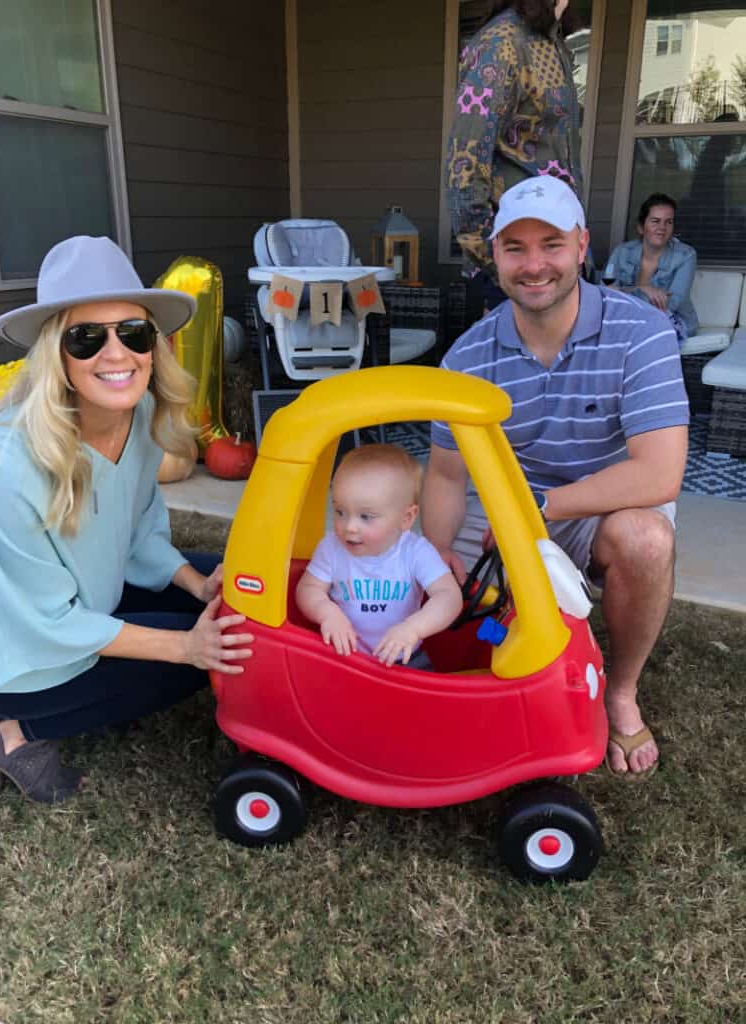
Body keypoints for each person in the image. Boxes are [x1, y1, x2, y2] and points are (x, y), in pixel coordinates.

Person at [422, 176, 690, 778]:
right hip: (504, 509)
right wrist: (436, 557)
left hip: (593, 504)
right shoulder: (466, 358)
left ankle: (620, 691)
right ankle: (460, 674)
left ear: (582, 247)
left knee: (647, 538)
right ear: (494, 256)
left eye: (552, 244)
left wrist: (534, 510)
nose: (534, 264)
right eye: (515, 248)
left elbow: (660, 473)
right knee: (423, 575)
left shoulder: (639, 331)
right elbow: (443, 475)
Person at [0, 236, 253, 804]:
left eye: (133, 332)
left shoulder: (144, 410)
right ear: (57, 352)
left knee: (233, 605)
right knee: (204, 656)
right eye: (86, 337)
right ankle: (12, 733)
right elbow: (46, 622)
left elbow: (140, 531)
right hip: (15, 644)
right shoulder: (4, 465)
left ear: (154, 344)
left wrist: (195, 584)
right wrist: (183, 648)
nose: (116, 354)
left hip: (88, 595)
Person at [445, 0, 583, 318]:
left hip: (554, 268)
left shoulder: (551, 40)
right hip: (517, 277)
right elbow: (463, 169)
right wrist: (501, 266)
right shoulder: (502, 43)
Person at [295, 444, 462, 668]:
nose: (350, 527)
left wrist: (413, 628)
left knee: (425, 698)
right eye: (340, 512)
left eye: (366, 516)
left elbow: (449, 597)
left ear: (406, 518)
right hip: (344, 656)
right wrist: (327, 613)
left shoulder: (415, 552)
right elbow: (308, 588)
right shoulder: (331, 548)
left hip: (404, 657)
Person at [604, 193, 698, 343]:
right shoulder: (621, 252)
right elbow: (606, 288)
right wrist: (642, 288)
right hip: (627, 319)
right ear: (641, 227)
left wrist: (622, 292)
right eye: (655, 221)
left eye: (668, 222)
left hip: (672, 320)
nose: (662, 228)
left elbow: (673, 303)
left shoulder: (686, 255)